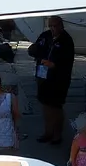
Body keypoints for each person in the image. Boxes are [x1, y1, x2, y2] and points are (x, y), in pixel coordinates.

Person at [28, 16, 75, 145]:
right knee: (45, 105)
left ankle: (57, 135)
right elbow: (36, 49)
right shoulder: (45, 36)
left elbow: (67, 62)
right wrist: (34, 51)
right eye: (51, 26)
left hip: (59, 79)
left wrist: (53, 65)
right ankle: (48, 132)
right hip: (43, 77)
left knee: (56, 107)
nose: (53, 29)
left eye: (55, 26)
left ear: (61, 25)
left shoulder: (66, 40)